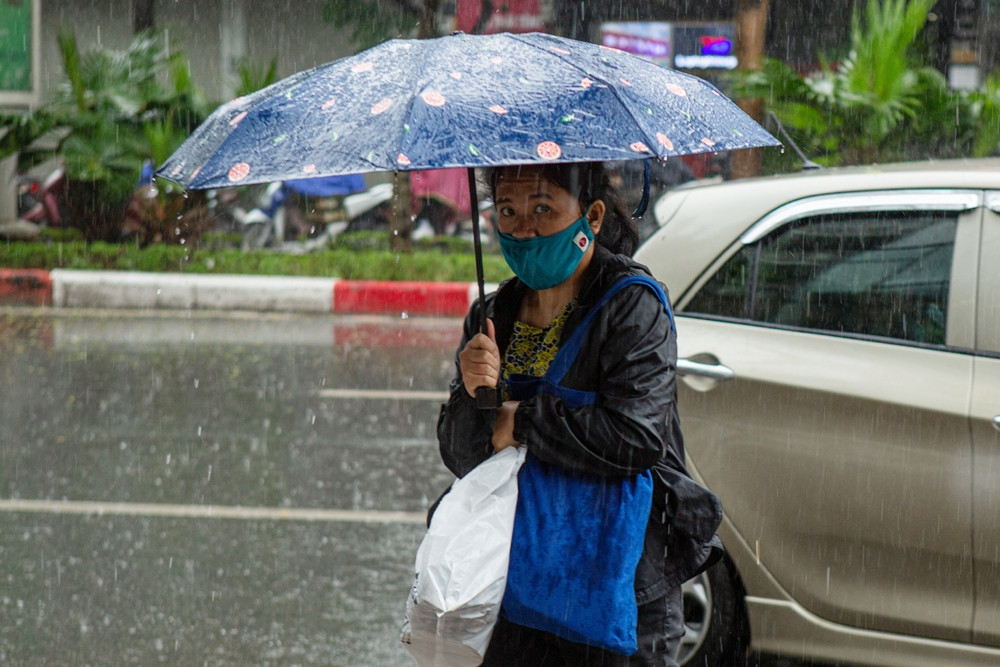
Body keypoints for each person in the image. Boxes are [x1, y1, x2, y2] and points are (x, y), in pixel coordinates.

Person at [436, 161, 722, 666]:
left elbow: (634, 438)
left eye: (543, 208)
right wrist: (474, 395)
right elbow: (462, 456)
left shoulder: (631, 307)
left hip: (620, 586)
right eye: (508, 210)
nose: (523, 227)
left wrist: (516, 421)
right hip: (515, 586)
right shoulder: (492, 317)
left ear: (590, 215)